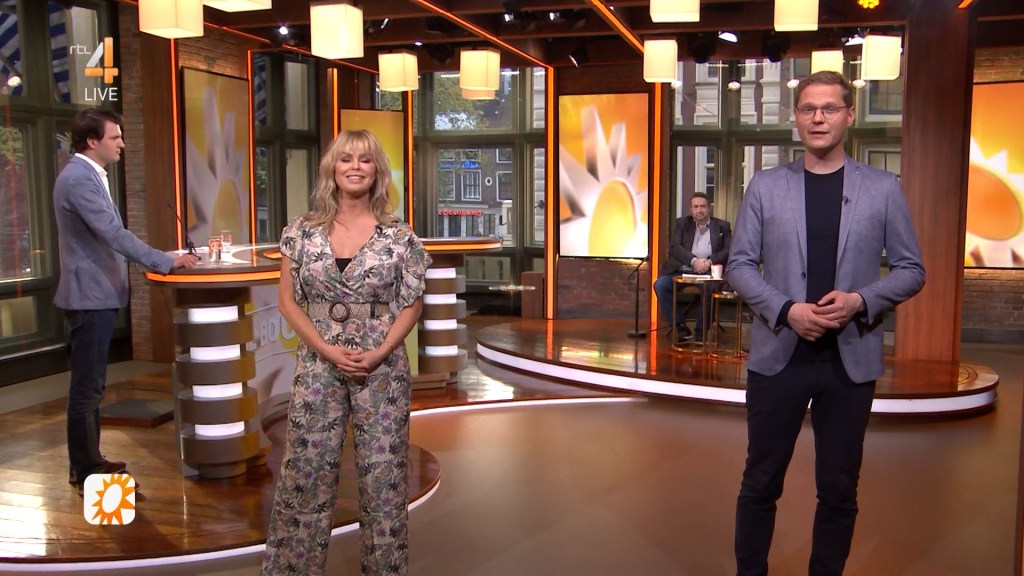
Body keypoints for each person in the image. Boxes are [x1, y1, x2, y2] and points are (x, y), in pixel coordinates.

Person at [727, 71, 925, 576]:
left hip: (848, 362)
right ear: (796, 118)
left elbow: (911, 270)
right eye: (808, 109)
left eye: (829, 108)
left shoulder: (882, 188)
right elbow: (739, 265)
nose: (818, 118)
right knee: (760, 483)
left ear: (849, 115)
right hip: (779, 356)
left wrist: (860, 300)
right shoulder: (766, 186)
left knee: (838, 489)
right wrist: (787, 310)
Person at [262, 130, 430, 576]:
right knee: (306, 472)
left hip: (382, 366)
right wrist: (325, 349)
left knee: (383, 477)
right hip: (318, 364)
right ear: (332, 169)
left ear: (377, 171)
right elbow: (287, 302)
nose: (355, 166)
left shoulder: (399, 236)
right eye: (346, 159)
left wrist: (380, 351)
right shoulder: (300, 232)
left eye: (365, 159)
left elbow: (412, 304)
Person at [53, 108, 199, 495]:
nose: (122, 143)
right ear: (92, 141)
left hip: (96, 296)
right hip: (88, 298)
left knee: (92, 388)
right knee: (87, 390)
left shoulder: (89, 174)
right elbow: (114, 234)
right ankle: (85, 471)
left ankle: (90, 461)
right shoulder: (78, 178)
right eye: (115, 137)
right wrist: (162, 259)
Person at [653, 192, 731, 340]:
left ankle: (701, 331)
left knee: (711, 288)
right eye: (696, 207)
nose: (699, 210)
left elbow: (728, 250)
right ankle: (679, 326)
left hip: (708, 272)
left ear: (709, 208)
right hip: (682, 270)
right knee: (660, 285)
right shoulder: (682, 224)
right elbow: (675, 247)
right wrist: (694, 261)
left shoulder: (722, 226)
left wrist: (709, 262)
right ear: (691, 209)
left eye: (702, 206)